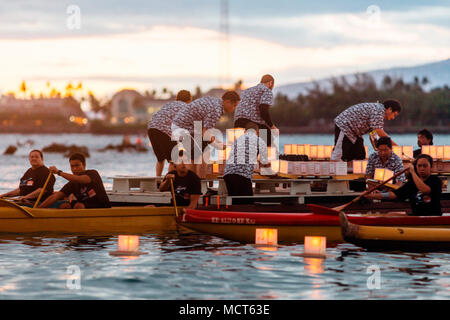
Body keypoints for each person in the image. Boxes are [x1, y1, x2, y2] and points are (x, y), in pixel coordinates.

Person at [171, 91, 241, 178]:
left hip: (182, 127)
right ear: (227, 102)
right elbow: (205, 134)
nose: (234, 108)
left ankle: (193, 184)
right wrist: (218, 145)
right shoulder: (216, 110)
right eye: (234, 105)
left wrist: (215, 141)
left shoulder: (214, 102)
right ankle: (200, 184)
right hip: (184, 129)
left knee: (195, 156)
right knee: (204, 154)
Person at [365, 154, 442, 216]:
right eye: (419, 166)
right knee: (390, 215)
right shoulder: (412, 183)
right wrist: (371, 195)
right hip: (416, 217)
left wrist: (413, 172)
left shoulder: (436, 180)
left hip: (433, 216)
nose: (422, 168)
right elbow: (394, 194)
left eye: (425, 166)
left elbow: (425, 190)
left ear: (431, 167)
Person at [331, 99, 402, 161]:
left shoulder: (378, 112)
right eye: (394, 115)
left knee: (360, 155)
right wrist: (395, 146)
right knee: (340, 153)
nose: (393, 118)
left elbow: (373, 134)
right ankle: (334, 173)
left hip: (355, 132)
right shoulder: (379, 111)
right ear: (389, 109)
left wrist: (379, 148)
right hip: (345, 126)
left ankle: (353, 173)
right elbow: (378, 131)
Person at [39, 153, 111, 209]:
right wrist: (38, 209)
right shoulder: (71, 184)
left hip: (101, 206)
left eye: (77, 165)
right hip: (85, 207)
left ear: (84, 165)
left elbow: (79, 179)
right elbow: (55, 196)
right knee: (64, 206)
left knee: (78, 205)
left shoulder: (92, 173)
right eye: (72, 166)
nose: (75, 169)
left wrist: (59, 172)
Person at [148, 90, 192, 176]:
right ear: (190, 99)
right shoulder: (187, 107)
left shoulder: (169, 104)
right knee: (175, 159)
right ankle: (168, 182)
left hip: (151, 128)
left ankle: (158, 181)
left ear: (177, 98)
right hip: (164, 130)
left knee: (160, 159)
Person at [223, 122, 270, 204]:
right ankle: (246, 216)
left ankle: (233, 216)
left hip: (228, 174)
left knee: (235, 202)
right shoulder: (260, 141)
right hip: (242, 176)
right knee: (247, 203)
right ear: (257, 131)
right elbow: (264, 162)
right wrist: (268, 165)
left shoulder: (237, 140)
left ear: (245, 131)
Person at [233, 74, 277, 146]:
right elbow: (263, 111)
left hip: (237, 124)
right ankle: (265, 156)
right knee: (268, 140)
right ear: (270, 83)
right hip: (251, 124)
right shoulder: (267, 91)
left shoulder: (246, 91)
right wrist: (272, 126)